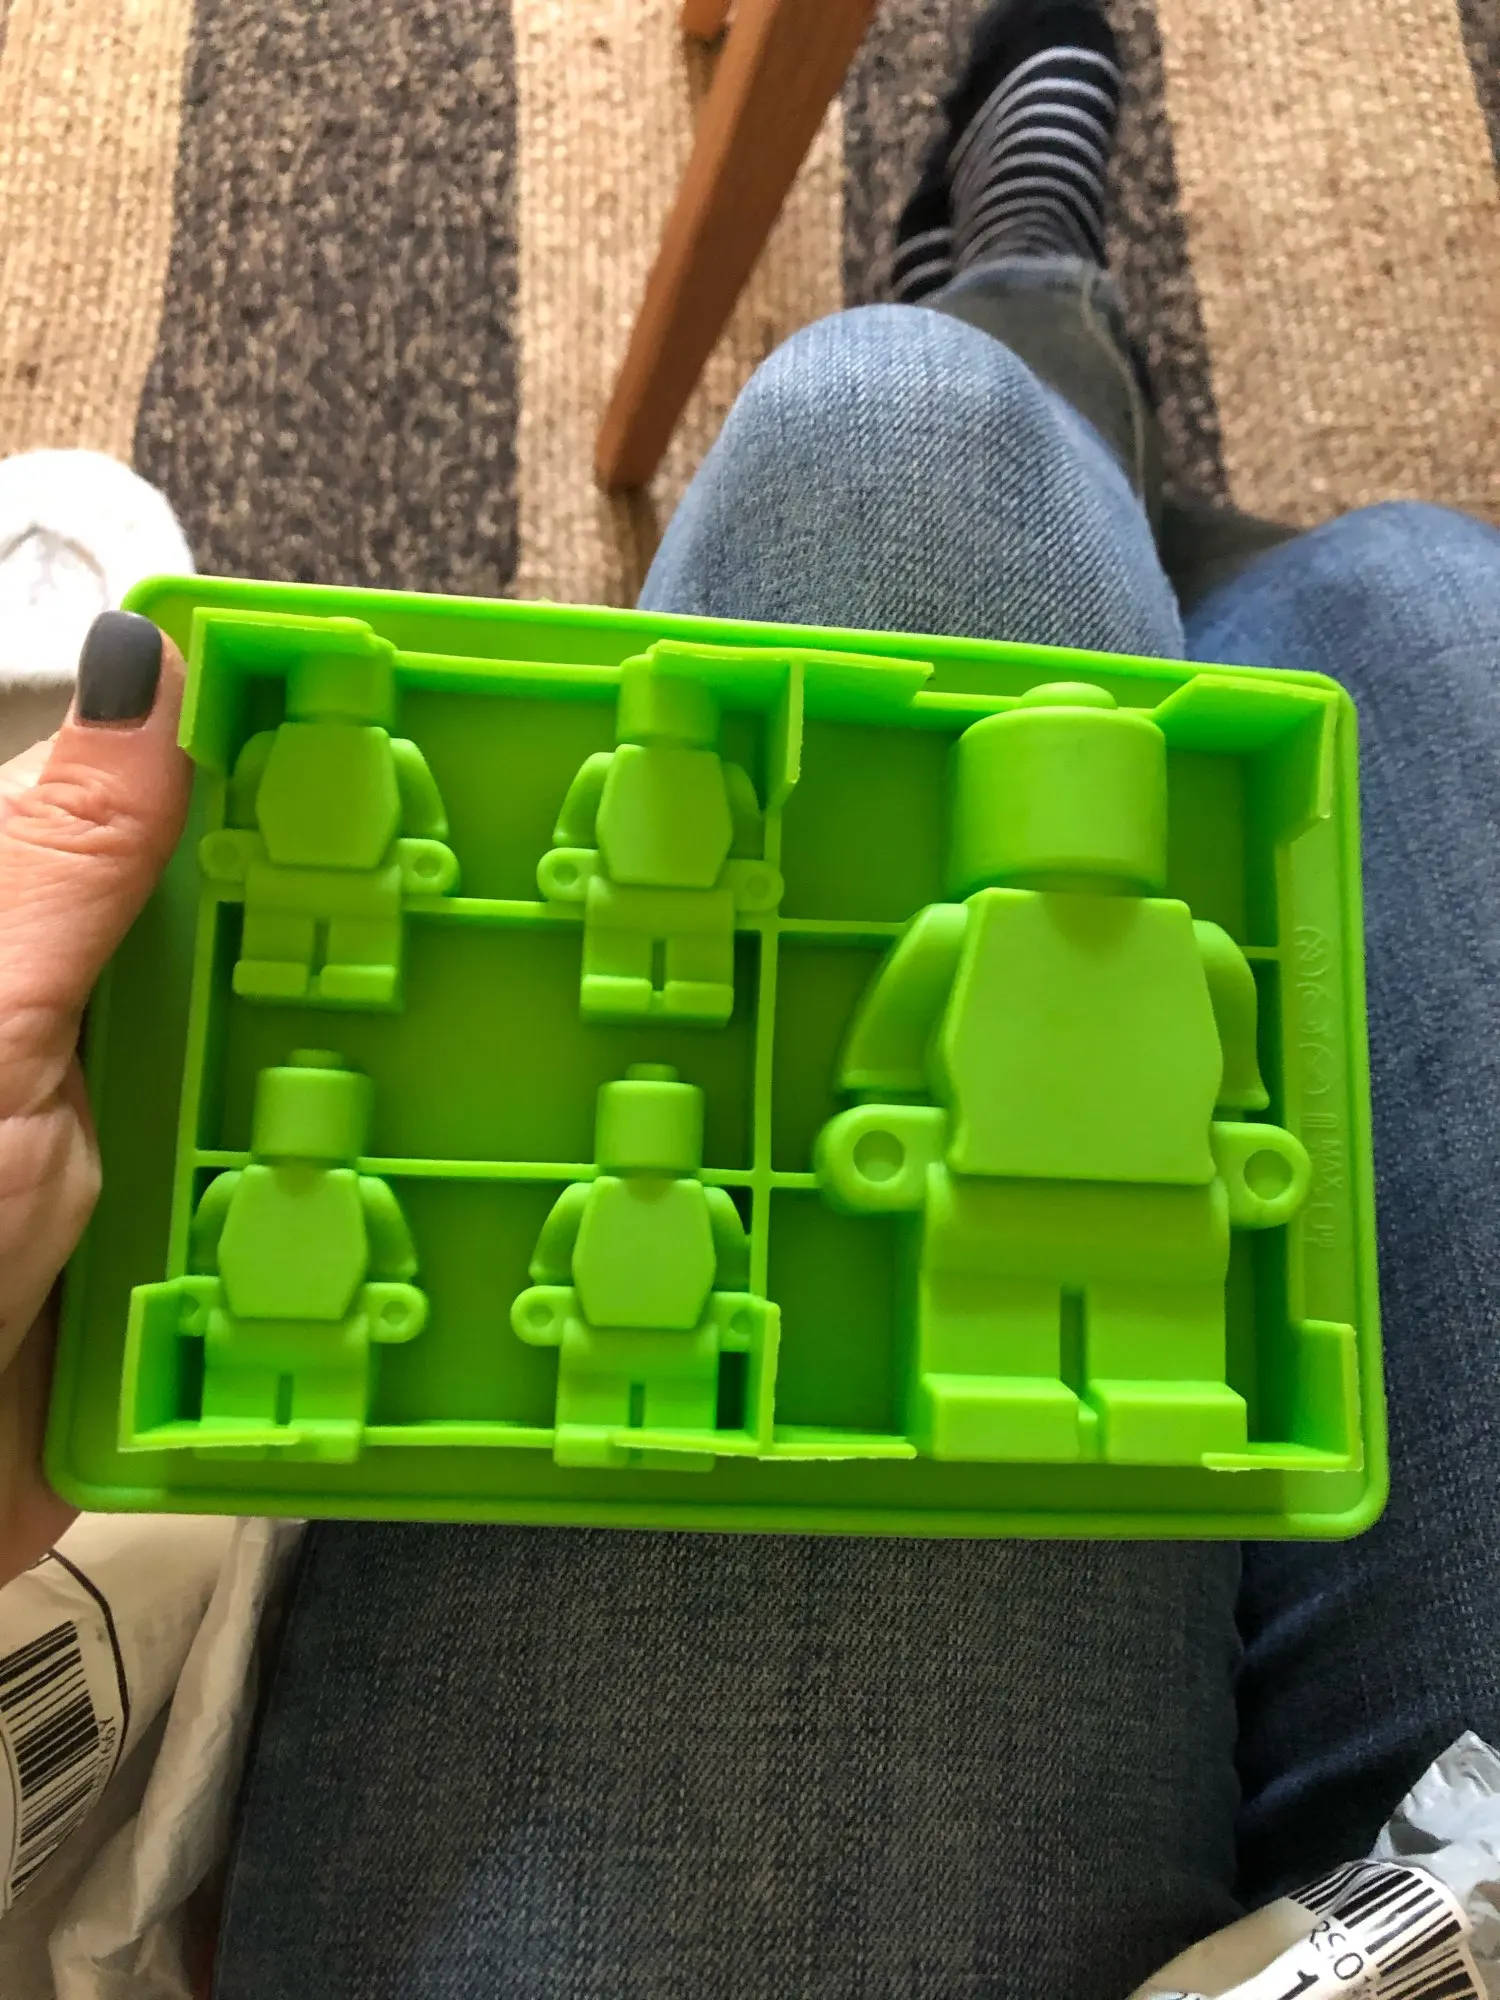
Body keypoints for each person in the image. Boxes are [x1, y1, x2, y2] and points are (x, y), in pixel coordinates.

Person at [2, 1, 1499, 1991]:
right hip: (871, 1145)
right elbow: (902, 1039)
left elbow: (1138, 1040)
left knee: (911, 438)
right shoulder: (1048, 941)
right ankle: (1094, 408)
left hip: (1047, 1200)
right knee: (1415, 606)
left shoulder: (1118, 945)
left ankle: (1051, 362)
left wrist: (1131, 1127)